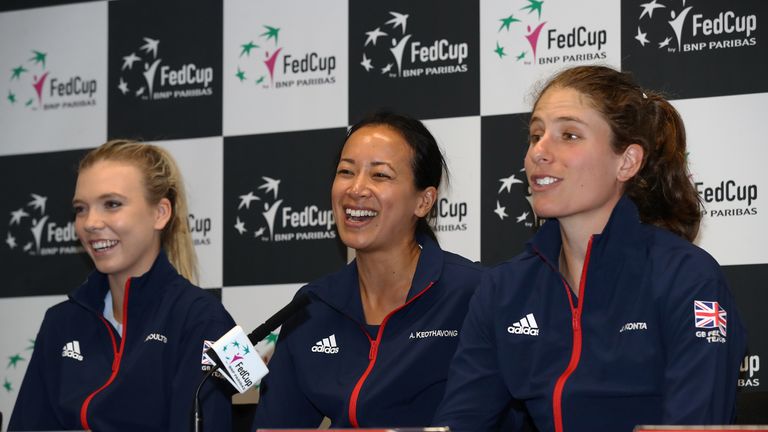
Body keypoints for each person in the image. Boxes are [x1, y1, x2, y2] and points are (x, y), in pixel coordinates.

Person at [434, 65, 747, 431]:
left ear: (627, 161)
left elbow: (696, 423)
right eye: (536, 135)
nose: (539, 152)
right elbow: (460, 423)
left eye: (568, 135)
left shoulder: (687, 277)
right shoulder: (505, 289)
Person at [253, 111, 484, 428]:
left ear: (424, 201)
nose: (356, 189)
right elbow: (278, 424)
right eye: (346, 171)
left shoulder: (472, 294)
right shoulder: (313, 306)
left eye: (380, 176)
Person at [9, 140, 236, 431]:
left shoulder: (204, 319)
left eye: (112, 204)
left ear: (160, 213)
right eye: (81, 209)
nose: (90, 222)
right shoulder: (60, 322)